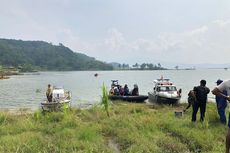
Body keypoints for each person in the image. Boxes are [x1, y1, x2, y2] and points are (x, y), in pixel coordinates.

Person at [212, 79, 230, 153]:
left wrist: (226, 98)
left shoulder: (226, 83)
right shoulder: (226, 84)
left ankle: (227, 151)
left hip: (222, 105)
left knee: (229, 132)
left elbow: (214, 91)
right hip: (222, 105)